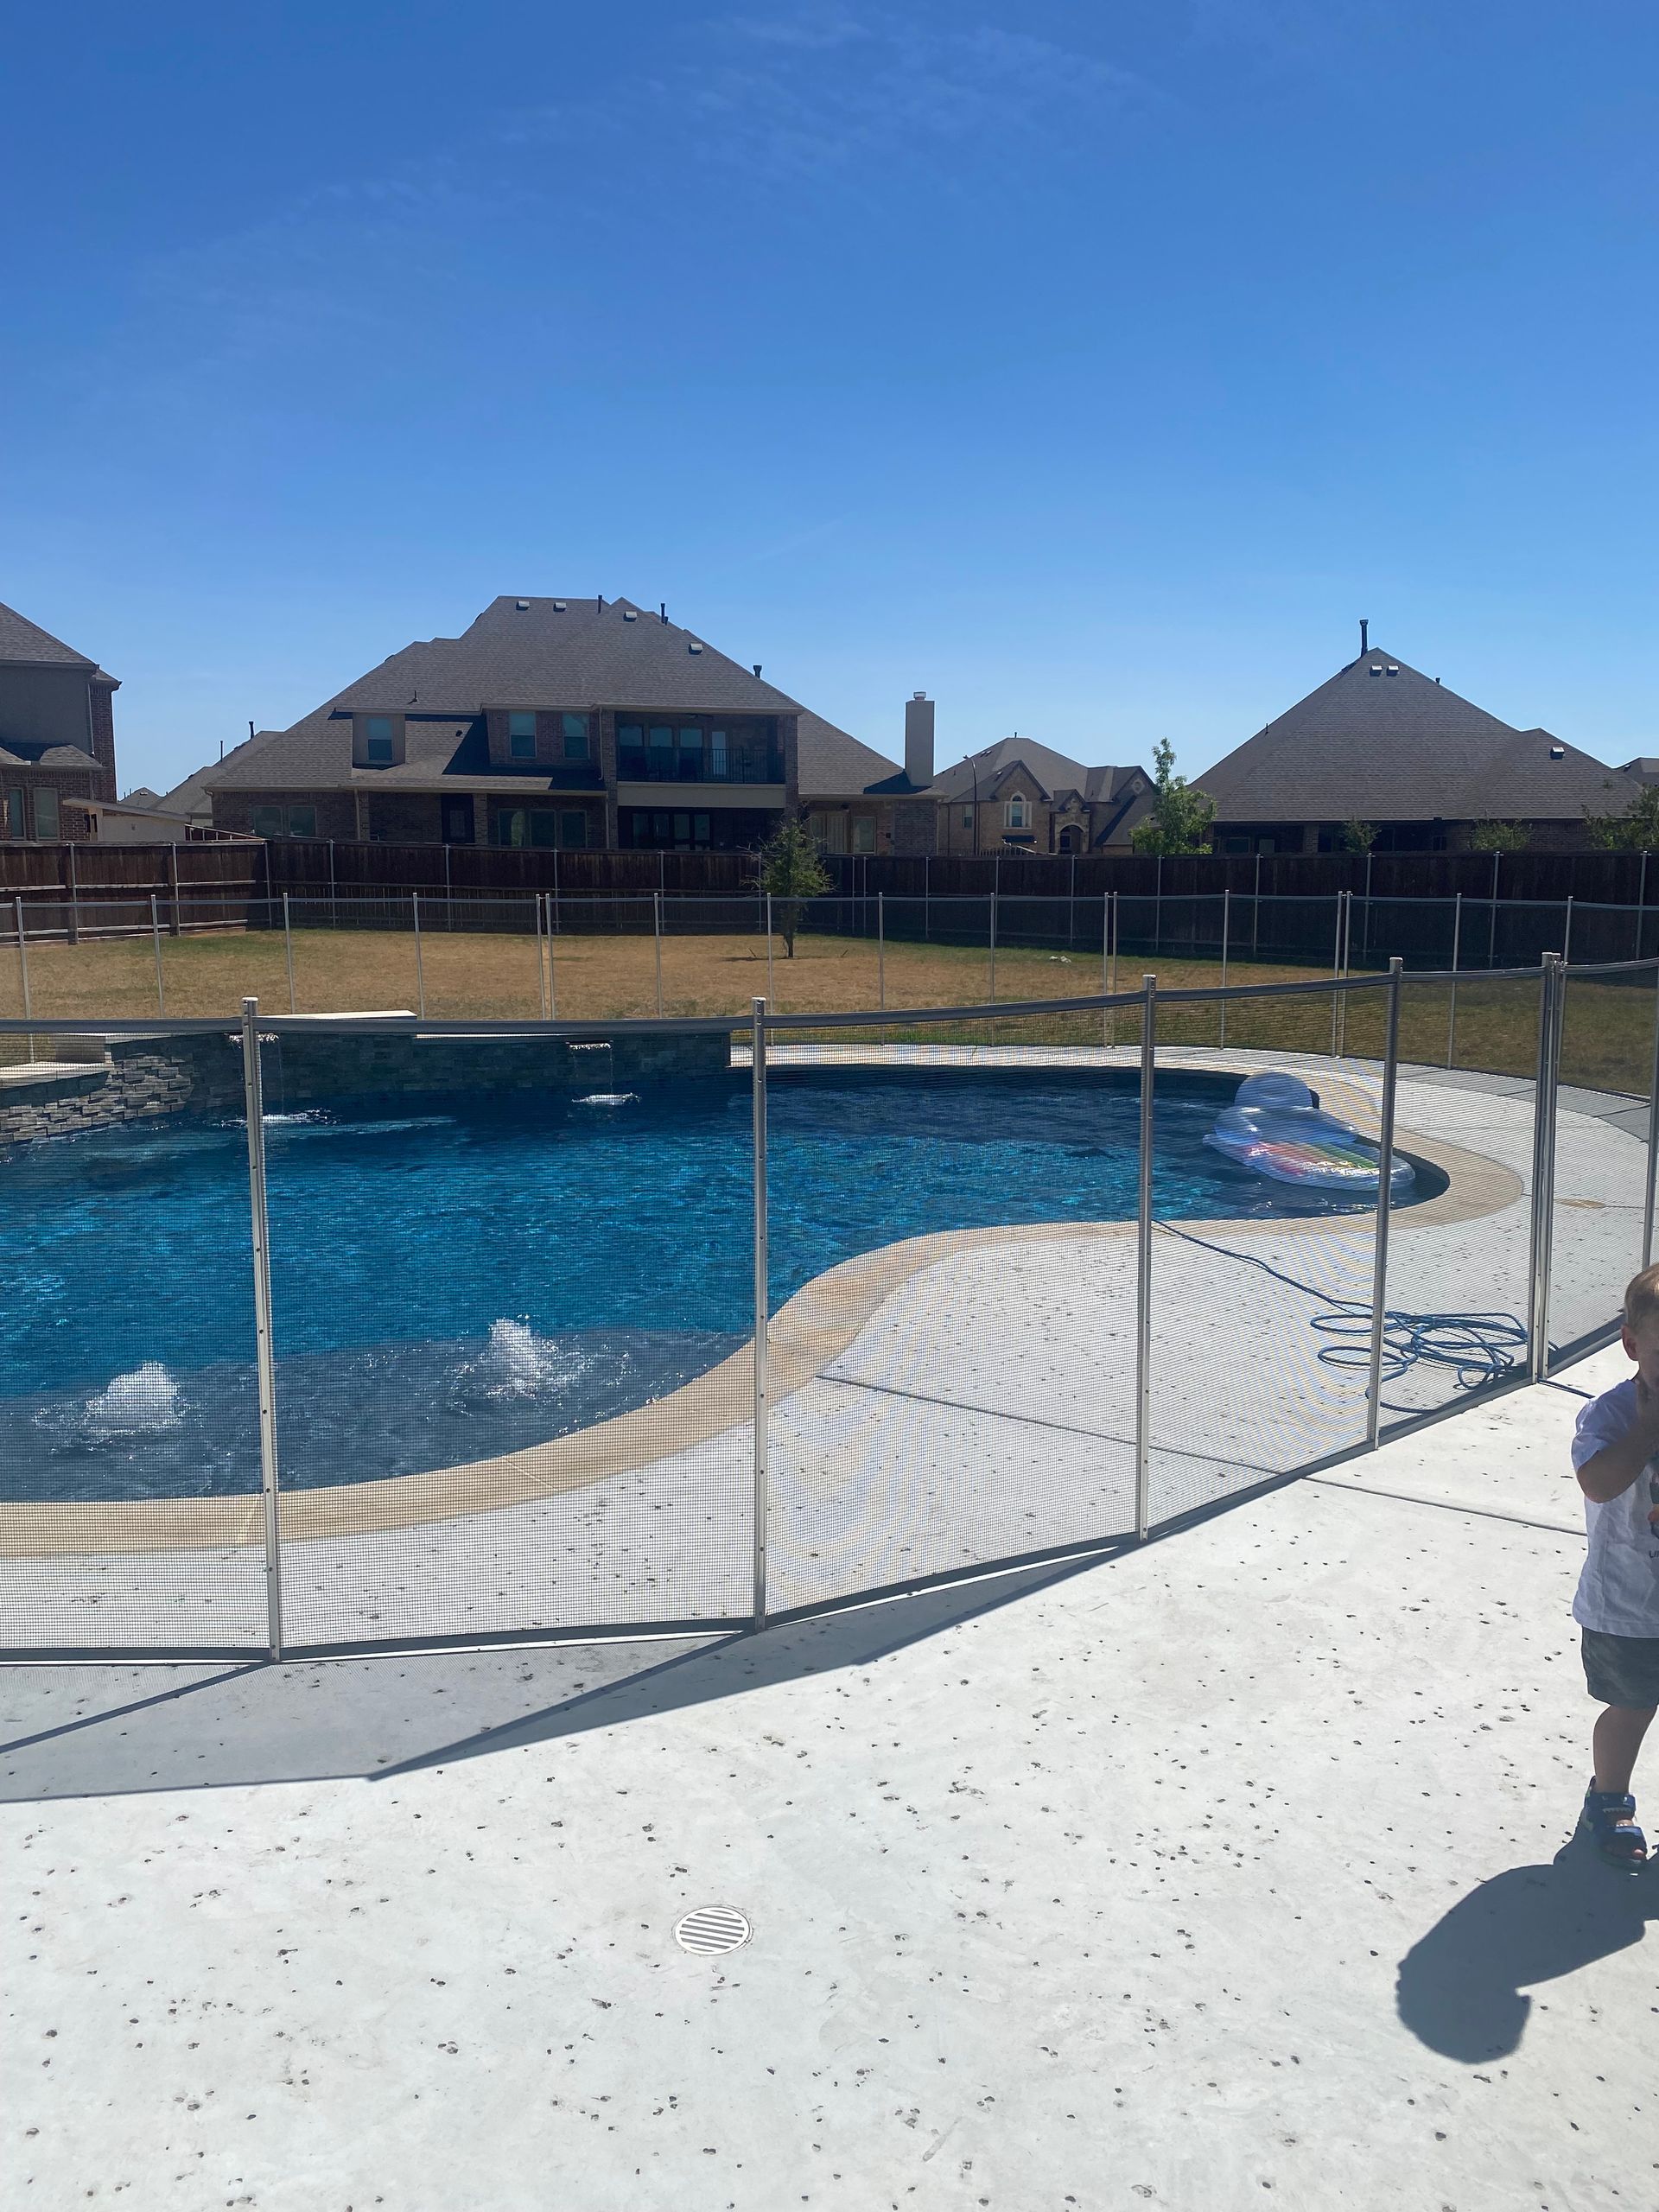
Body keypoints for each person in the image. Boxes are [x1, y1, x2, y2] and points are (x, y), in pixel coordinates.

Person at [1569, 1262, 1659, 1870]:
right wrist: (1648, 1431)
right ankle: (1608, 1798)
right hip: (1627, 1608)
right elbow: (1599, 1484)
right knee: (1632, 1706)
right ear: (1632, 1344)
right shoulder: (1607, 1417)